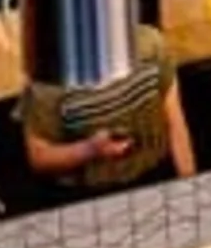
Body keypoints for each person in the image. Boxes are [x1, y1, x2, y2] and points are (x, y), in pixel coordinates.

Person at [19, 23, 195, 191]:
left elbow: (176, 124)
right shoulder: (48, 72)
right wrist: (90, 149)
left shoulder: (150, 44)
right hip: (91, 194)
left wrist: (190, 188)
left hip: (155, 178)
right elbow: (38, 156)